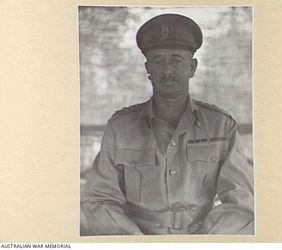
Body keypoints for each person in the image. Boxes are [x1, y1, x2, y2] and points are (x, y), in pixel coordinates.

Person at [81, 13, 254, 235]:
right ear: (148, 70)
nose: (167, 70)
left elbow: (240, 204)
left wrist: (204, 243)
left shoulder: (220, 126)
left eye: (176, 60)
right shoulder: (120, 127)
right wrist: (136, 241)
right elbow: (98, 200)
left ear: (192, 67)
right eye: (158, 60)